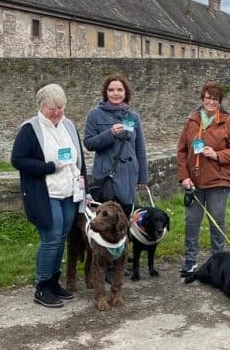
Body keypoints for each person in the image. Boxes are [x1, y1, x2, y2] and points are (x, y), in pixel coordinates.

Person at [11, 83, 87, 308]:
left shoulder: (69, 126)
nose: (56, 112)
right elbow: (18, 160)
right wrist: (48, 167)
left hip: (69, 191)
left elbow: (78, 161)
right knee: (51, 237)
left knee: (62, 236)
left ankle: (54, 282)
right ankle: (42, 286)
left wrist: (84, 187)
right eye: (51, 108)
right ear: (41, 106)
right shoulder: (30, 129)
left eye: (60, 107)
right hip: (45, 193)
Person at [177, 81, 230, 276]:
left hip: (218, 180)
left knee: (217, 221)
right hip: (194, 181)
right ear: (202, 100)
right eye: (208, 98)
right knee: (191, 221)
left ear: (220, 102)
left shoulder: (229, 122)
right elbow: (182, 150)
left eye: (215, 99)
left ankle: (219, 261)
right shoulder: (192, 120)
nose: (211, 102)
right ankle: (190, 260)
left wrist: (216, 155)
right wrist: (184, 177)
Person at [84, 74, 148, 217]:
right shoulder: (95, 115)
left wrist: (143, 178)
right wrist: (110, 133)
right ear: (106, 93)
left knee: (127, 217)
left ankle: (125, 240)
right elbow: (89, 143)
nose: (116, 93)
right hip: (107, 176)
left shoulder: (133, 117)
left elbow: (140, 148)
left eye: (119, 90)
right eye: (111, 90)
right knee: (108, 219)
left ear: (125, 93)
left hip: (129, 175)